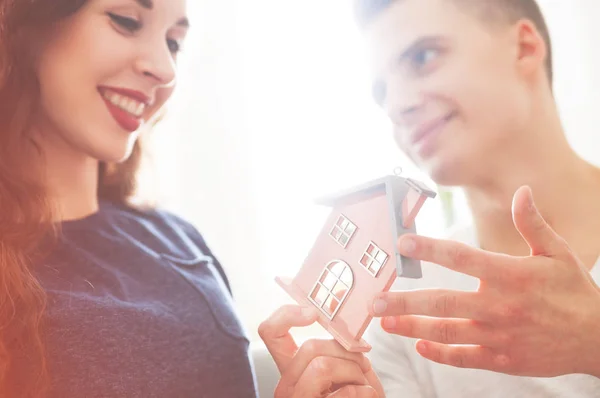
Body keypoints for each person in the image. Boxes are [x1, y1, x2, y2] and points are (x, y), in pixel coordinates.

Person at [260, 0, 600, 396]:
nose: (398, 106)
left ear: (523, 47)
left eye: (423, 57)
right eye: (382, 93)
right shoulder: (397, 307)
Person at [0, 0, 263, 396]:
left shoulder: (180, 241)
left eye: (174, 42)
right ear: (24, 23)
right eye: (127, 21)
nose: (165, 69)